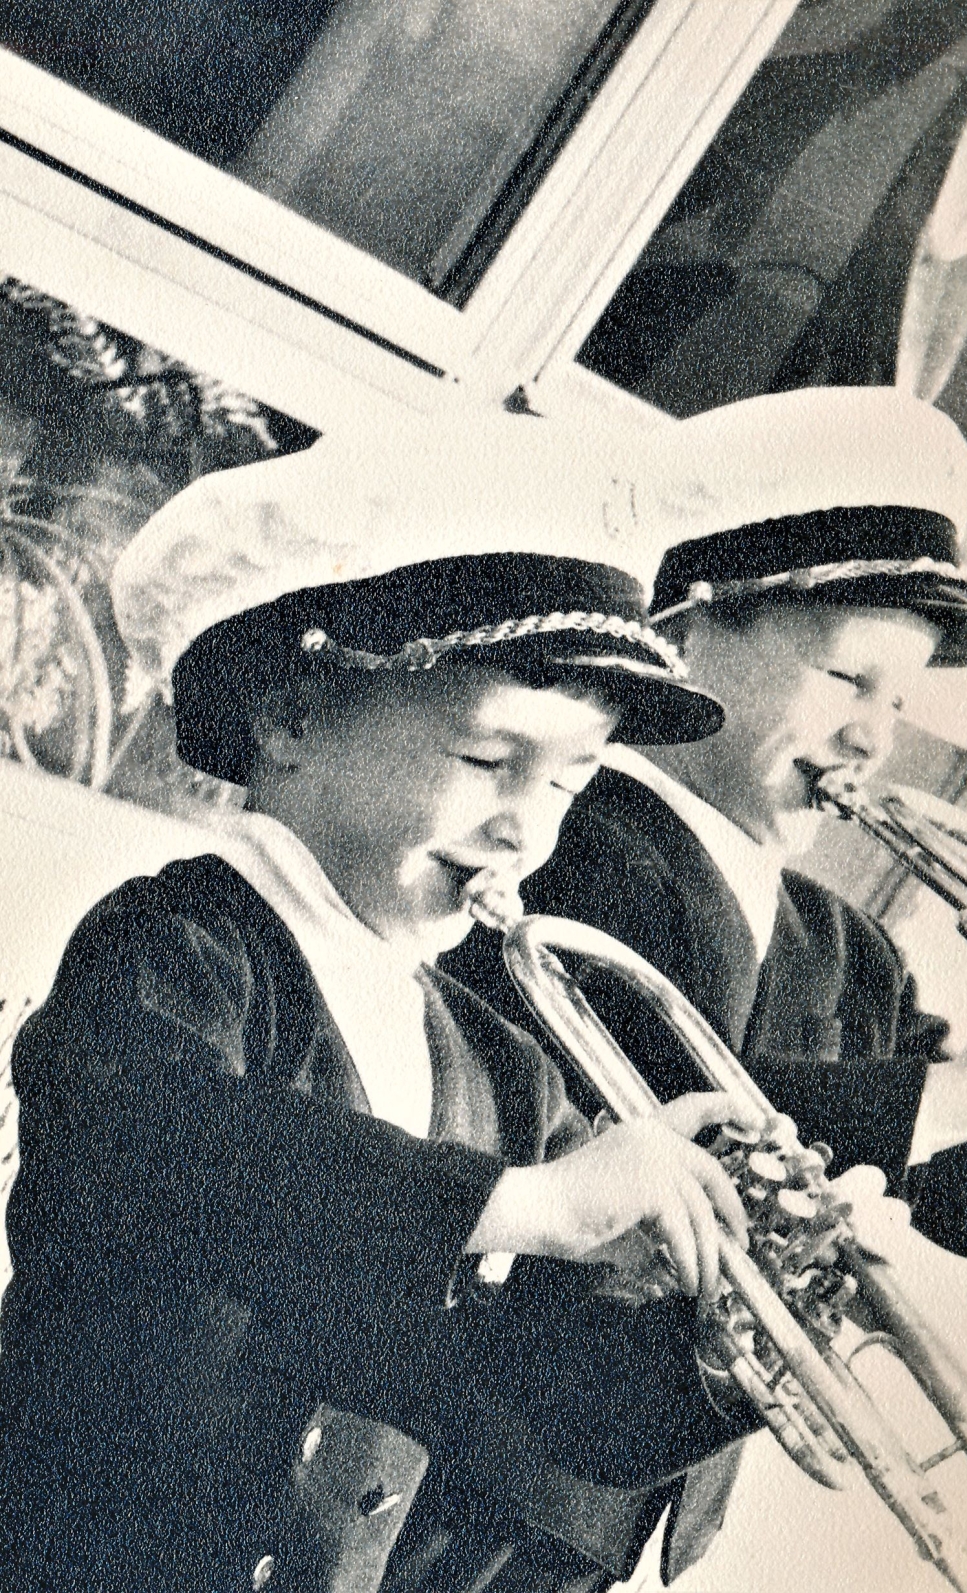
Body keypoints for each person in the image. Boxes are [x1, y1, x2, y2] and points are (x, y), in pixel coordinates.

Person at [0, 435, 790, 1593]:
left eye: (570, 783)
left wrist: (726, 1335)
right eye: (486, 757)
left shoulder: (503, 1068)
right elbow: (156, 1142)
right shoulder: (182, 942)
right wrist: (530, 1204)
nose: (528, 828)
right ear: (292, 723)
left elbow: (559, 1407)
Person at [447, 387, 967, 1585]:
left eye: (898, 704)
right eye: (849, 681)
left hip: (621, 1504)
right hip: (455, 1454)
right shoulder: (563, 838)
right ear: (683, 637)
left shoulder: (847, 947)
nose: (873, 740)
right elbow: (645, 1097)